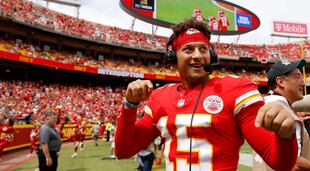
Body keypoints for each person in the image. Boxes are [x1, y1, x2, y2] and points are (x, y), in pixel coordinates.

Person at [115, 18, 299, 171]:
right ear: (173, 56)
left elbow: (280, 163)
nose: (197, 56)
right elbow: (123, 150)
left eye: (203, 49)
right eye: (188, 49)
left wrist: (285, 135)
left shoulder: (236, 88)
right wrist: (130, 105)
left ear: (211, 54)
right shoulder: (160, 97)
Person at [253, 59, 310, 171]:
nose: (303, 83)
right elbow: (292, 163)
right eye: (297, 77)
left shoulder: (262, 107)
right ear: (281, 82)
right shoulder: (286, 116)